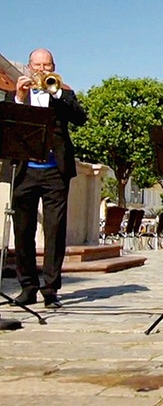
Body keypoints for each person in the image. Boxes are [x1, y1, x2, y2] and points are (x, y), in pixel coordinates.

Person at [9, 48, 87, 309]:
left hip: (55, 171)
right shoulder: (18, 94)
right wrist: (19, 99)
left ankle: (51, 289)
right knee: (23, 230)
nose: (42, 69)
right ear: (29, 67)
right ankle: (27, 287)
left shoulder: (63, 91)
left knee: (54, 231)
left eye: (47, 65)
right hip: (25, 170)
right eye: (37, 65)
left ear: (53, 66)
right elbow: (8, 128)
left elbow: (80, 118)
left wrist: (57, 92)